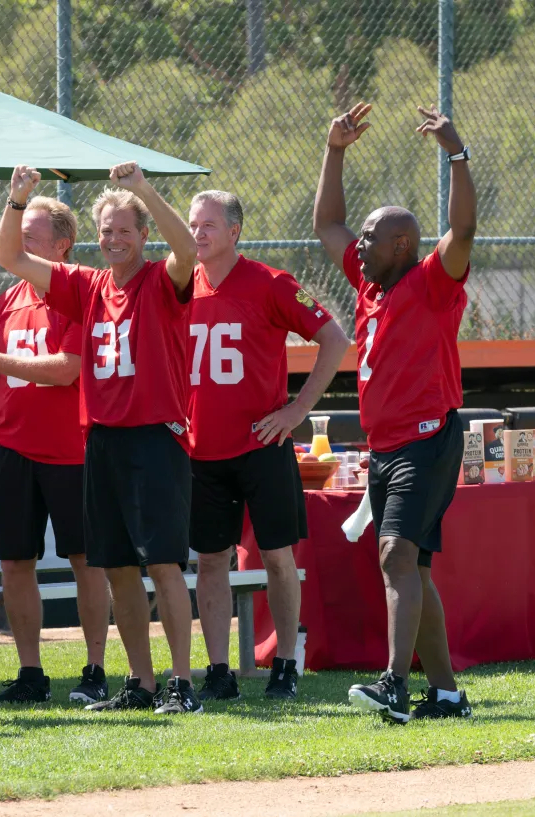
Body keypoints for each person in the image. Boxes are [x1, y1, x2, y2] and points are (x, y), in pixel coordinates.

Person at [0, 162, 201, 715]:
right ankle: (142, 683)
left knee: (162, 564)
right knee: (116, 567)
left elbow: (188, 251)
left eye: (124, 230)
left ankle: (181, 683)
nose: (114, 240)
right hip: (103, 439)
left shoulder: (162, 278)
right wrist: (17, 201)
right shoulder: (86, 284)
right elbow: (10, 258)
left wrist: (143, 191)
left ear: (142, 235)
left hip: (154, 439)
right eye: (106, 230)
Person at [313, 103, 476, 723]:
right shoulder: (371, 282)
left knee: (396, 559)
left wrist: (455, 153)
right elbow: (328, 223)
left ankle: (392, 684)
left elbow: (462, 233)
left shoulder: (432, 281)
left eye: (372, 237)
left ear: (403, 244)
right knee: (417, 569)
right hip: (388, 448)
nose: (359, 243)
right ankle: (447, 695)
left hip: (426, 440)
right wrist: (335, 151)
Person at [186, 190, 349, 702]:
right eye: (193, 224)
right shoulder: (176, 285)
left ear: (234, 231)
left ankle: (284, 663)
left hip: (261, 444)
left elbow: (335, 338)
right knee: (210, 560)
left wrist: (297, 411)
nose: (198, 234)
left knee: (277, 556)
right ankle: (217, 669)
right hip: (200, 449)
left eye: (209, 225)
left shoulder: (271, 283)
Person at [0, 194, 112, 706]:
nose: (20, 243)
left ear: (61, 244)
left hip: (72, 450)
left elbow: (67, 370)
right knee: (15, 562)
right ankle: (30, 673)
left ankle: (95, 668)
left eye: (30, 235)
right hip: (12, 446)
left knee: (85, 561)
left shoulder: (81, 293)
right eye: (18, 233)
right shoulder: (7, 300)